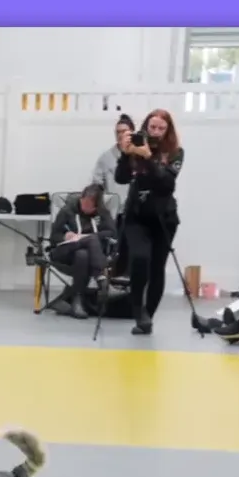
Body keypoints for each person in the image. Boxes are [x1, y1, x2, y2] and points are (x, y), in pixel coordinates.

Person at [114, 109, 185, 335]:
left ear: (168, 131)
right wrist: (127, 154)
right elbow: (121, 178)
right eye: (152, 127)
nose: (155, 132)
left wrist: (148, 158)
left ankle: (148, 317)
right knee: (139, 259)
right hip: (136, 215)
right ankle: (137, 310)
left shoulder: (176, 153)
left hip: (164, 218)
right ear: (145, 127)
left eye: (161, 128)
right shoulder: (137, 146)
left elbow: (166, 185)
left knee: (157, 267)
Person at [46, 183, 116, 318]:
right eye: (84, 204)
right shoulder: (67, 211)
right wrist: (66, 236)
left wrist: (92, 237)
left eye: (90, 207)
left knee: (83, 254)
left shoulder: (103, 213)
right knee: (90, 241)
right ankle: (102, 278)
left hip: (89, 257)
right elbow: (54, 236)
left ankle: (77, 301)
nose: (85, 208)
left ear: (97, 206)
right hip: (65, 252)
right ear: (81, 198)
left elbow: (112, 234)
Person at [91, 113, 135, 213]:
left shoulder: (139, 154)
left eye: (124, 131)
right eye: (118, 132)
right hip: (113, 210)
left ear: (132, 133)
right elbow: (97, 183)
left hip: (135, 211)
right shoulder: (106, 157)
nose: (120, 135)